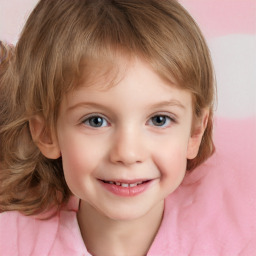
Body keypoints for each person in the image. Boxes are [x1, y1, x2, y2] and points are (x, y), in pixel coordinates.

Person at [1, 0, 252, 255]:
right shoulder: (12, 243)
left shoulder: (239, 238)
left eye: (159, 120)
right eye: (95, 121)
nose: (128, 154)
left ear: (195, 132)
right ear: (46, 133)